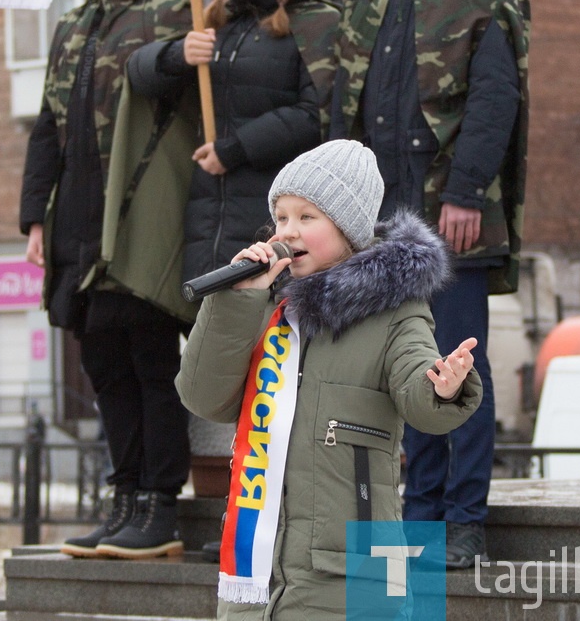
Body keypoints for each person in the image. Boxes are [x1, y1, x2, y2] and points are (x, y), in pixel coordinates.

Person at [332, 0, 530, 569]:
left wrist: (470, 188)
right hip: (383, 212)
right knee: (401, 366)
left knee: (457, 358)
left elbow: (496, 90)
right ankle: (416, 516)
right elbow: (341, 107)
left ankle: (464, 518)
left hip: (451, 202)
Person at [176, 139, 483, 618]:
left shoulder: (397, 307)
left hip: (361, 572)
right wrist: (235, 301)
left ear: (349, 229)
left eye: (307, 217)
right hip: (256, 575)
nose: (287, 231)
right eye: (280, 217)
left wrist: (444, 386)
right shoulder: (266, 308)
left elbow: (418, 388)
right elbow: (202, 396)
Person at [19, 0, 197, 559]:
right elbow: (47, 124)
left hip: (138, 219)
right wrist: (35, 213)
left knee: (150, 361)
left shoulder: (176, 9)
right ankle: (122, 497)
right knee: (104, 370)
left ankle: (159, 501)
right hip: (76, 221)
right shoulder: (74, 22)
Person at [128, 0, 341, 282]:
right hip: (210, 217)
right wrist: (179, 54)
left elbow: (317, 114)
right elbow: (138, 77)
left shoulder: (317, 19)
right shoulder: (223, 17)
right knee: (211, 332)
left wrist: (234, 149)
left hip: (278, 215)